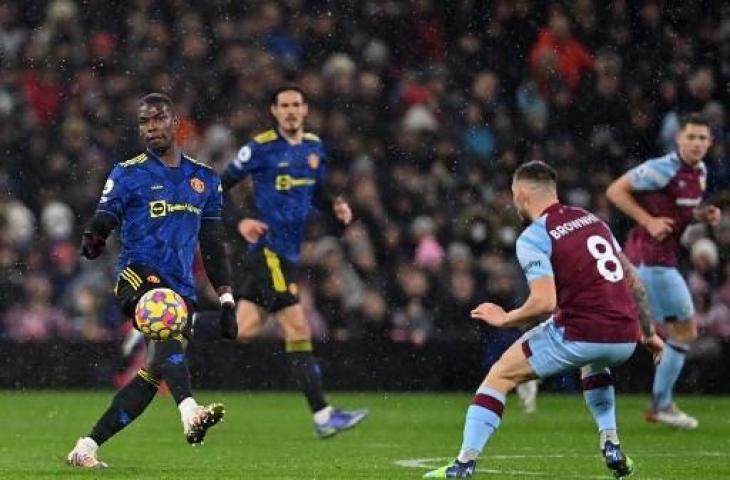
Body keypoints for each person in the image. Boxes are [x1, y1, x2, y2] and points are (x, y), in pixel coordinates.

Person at [423, 161, 663, 479]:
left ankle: (463, 464)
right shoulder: (593, 220)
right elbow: (634, 281)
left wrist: (506, 318)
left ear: (522, 193)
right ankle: (611, 443)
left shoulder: (534, 236)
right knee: (594, 362)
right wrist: (648, 333)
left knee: (499, 376)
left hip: (580, 333)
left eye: (513, 194)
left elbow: (543, 302)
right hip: (623, 336)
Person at [67, 93, 236, 468]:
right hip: (136, 275)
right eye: (144, 122)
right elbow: (105, 215)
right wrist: (95, 235)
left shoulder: (204, 180)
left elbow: (213, 245)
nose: (151, 128)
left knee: (150, 376)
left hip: (181, 288)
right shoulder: (128, 173)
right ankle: (189, 410)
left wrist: (226, 300)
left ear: (175, 123)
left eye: (158, 119)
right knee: (165, 315)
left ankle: (87, 446)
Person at [221, 85, 368, 438]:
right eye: (283, 105)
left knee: (243, 330)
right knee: (298, 328)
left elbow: (315, 191)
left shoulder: (315, 147)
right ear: (274, 110)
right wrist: (239, 220)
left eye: (296, 104)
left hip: (287, 252)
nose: (290, 110)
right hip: (266, 249)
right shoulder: (260, 148)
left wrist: (334, 205)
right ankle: (323, 415)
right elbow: (217, 186)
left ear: (305, 110)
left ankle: (175, 322)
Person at [606, 113, 722, 429]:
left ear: (710, 143)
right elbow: (615, 191)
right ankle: (661, 404)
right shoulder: (662, 168)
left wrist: (699, 216)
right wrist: (648, 221)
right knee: (680, 330)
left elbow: (675, 214)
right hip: (649, 260)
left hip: (660, 260)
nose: (697, 143)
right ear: (678, 139)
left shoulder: (699, 172)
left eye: (703, 138)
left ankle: (660, 403)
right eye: (692, 137)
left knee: (628, 328)